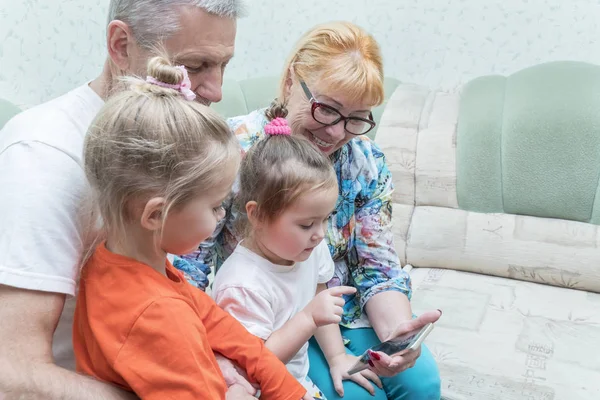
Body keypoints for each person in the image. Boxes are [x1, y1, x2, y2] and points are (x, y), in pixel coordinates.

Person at [0, 1, 250, 399]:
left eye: (224, 65)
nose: (216, 90)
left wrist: (210, 363)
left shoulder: (169, 135)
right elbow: (11, 374)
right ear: (120, 44)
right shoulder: (46, 155)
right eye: (194, 65)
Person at [180, 21, 443, 399]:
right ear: (291, 82)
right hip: (271, 318)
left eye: (356, 118)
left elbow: (377, 267)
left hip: (339, 314)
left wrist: (398, 335)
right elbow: (187, 265)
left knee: (422, 382)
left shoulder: (365, 162)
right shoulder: (229, 151)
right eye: (327, 110)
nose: (337, 133)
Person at [73, 55, 307, 400]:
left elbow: (221, 326)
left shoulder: (117, 262)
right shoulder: (159, 316)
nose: (220, 218)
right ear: (156, 215)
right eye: (215, 206)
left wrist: (288, 390)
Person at [212, 107, 379, 398]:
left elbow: (318, 296)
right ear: (258, 215)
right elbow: (251, 369)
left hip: (295, 382)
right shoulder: (242, 286)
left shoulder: (308, 247)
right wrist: (308, 319)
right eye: (305, 224)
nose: (319, 233)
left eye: (326, 218)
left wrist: (337, 357)